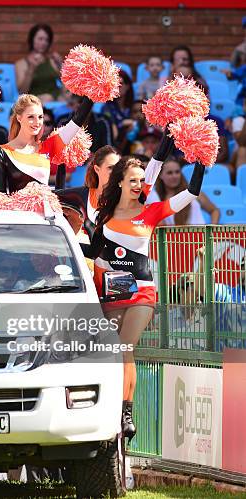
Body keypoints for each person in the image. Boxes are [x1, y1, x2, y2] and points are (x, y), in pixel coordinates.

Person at [82, 157, 206, 443]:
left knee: (125, 347)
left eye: (141, 180)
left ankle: (127, 412)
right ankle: (109, 407)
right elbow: (96, 252)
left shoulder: (150, 211)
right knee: (111, 352)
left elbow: (190, 194)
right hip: (111, 293)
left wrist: (200, 161)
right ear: (121, 183)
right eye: (133, 180)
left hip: (142, 292)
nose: (138, 185)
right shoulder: (105, 212)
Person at [0, 93, 92, 193]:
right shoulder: (2, 151)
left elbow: (78, 120)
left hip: (46, 207)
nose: (37, 122)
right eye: (31, 117)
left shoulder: (48, 147)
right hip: (15, 208)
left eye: (40, 117)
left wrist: (94, 89)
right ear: (19, 118)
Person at [146, 156, 220, 225]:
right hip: (175, 238)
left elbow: (214, 210)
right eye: (169, 173)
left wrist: (211, 230)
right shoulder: (156, 198)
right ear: (160, 176)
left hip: (200, 236)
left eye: (177, 172)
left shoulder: (194, 193)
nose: (174, 176)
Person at [14, 24, 62, 102]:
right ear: (32, 40)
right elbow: (22, 92)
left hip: (56, 100)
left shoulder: (52, 60)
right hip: (34, 102)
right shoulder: (21, 64)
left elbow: (66, 86)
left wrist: (60, 66)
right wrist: (31, 69)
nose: (44, 43)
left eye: (47, 40)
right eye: (40, 39)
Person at [102, 69, 135, 143]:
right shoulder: (106, 108)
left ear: (127, 86)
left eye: (121, 83)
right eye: (114, 84)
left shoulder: (135, 106)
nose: (117, 86)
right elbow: (111, 133)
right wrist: (122, 123)